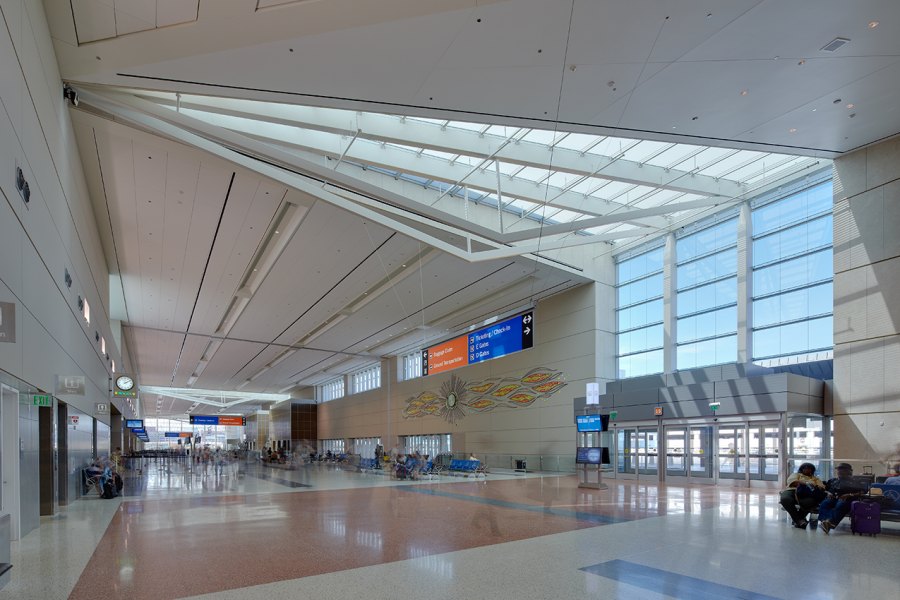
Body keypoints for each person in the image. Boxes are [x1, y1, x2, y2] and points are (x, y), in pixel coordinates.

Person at [818, 463, 867, 533]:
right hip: (833, 498)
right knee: (825, 503)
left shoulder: (856, 481)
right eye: (838, 470)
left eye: (842, 470)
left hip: (846, 499)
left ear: (849, 471)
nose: (839, 471)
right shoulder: (833, 480)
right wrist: (828, 493)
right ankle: (825, 522)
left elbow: (863, 491)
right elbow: (825, 489)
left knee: (840, 505)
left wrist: (849, 494)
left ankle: (829, 522)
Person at [780, 462, 826, 528]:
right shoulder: (796, 474)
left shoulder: (815, 479)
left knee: (810, 502)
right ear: (802, 469)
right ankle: (799, 520)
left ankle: (798, 520)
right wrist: (805, 483)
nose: (807, 470)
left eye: (809, 468)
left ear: (812, 470)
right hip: (792, 490)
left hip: (807, 494)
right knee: (785, 499)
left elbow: (821, 486)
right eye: (805, 468)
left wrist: (815, 486)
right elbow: (792, 481)